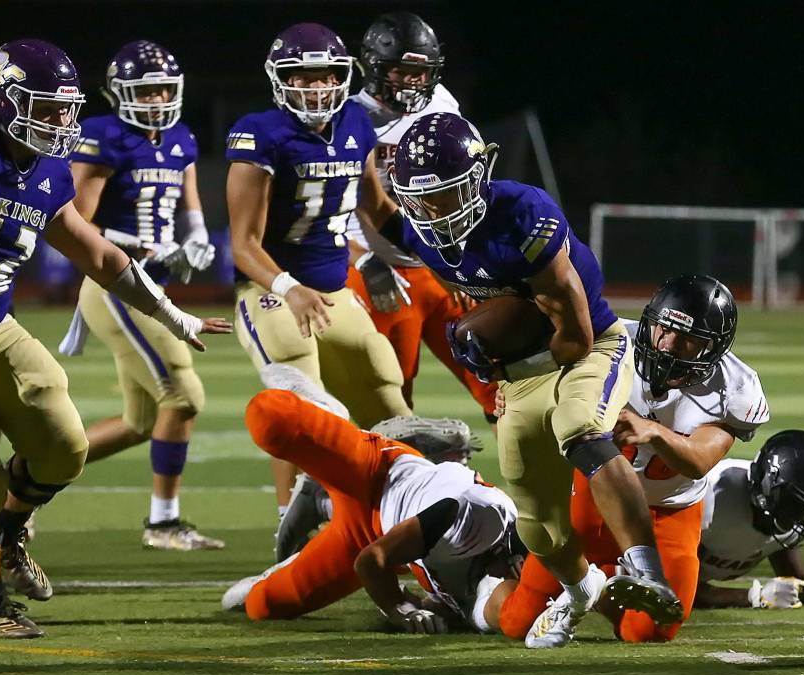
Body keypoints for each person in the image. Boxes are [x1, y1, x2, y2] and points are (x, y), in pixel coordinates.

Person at [0, 38, 229, 638]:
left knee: (63, 447)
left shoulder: (50, 171)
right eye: (45, 107)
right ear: (4, 101)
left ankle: (8, 529)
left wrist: (173, 316)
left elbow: (100, 256)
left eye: (64, 108)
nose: (59, 122)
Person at [378, 112, 682, 648]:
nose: (434, 211)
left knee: (579, 426)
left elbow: (577, 334)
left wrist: (507, 352)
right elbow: (376, 213)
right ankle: (582, 586)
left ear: (475, 179)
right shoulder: (419, 233)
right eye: (422, 200)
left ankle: (645, 570)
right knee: (535, 519)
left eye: (447, 195)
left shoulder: (523, 215)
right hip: (519, 375)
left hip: (584, 347)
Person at [498, 275, 769, 643]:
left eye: (688, 338)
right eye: (664, 328)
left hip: (669, 510)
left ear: (714, 347)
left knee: (652, 630)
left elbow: (701, 460)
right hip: (595, 496)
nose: (669, 344)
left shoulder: (734, 385)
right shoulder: (610, 341)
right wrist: (514, 394)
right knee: (517, 622)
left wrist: (654, 431)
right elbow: (535, 374)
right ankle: (523, 576)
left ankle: (603, 583)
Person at [226, 22, 412, 516]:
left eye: (326, 75)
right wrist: (290, 288)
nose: (317, 87)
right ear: (280, 79)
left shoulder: (356, 123)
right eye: (303, 77)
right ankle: (291, 525)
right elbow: (243, 245)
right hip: (271, 290)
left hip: (335, 293)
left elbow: (376, 207)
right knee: (306, 411)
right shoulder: (260, 134)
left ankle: (399, 521)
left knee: (389, 401)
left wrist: (434, 250)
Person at [61, 40, 222, 551]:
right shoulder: (103, 138)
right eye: (145, 90)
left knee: (140, 421)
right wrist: (142, 245)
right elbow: (77, 223)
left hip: (155, 283)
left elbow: (190, 205)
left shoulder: (180, 138)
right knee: (183, 395)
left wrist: (195, 241)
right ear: (118, 93)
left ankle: (20, 481)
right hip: (116, 283)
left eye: (162, 89)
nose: (155, 99)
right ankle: (164, 522)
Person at [221, 365, 522, 635]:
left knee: (262, 604)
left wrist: (423, 605)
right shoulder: (481, 517)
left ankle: (321, 502)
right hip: (377, 471)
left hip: (366, 535)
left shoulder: (480, 600)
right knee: (271, 417)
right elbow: (372, 561)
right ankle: (329, 415)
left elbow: (510, 615)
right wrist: (399, 608)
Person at [345, 11, 496, 419]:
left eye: (421, 71)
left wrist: (469, 261)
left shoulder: (443, 103)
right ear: (375, 68)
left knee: (498, 385)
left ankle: (529, 482)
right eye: (401, 70)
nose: (414, 81)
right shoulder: (350, 117)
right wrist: (359, 256)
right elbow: (333, 207)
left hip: (443, 261)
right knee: (393, 398)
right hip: (384, 266)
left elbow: (469, 188)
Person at [694, 429, 804, 609]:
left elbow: (797, 582)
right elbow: (674, 586)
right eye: (795, 505)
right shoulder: (711, 497)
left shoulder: (781, 512)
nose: (800, 517)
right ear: (767, 486)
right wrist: (755, 596)